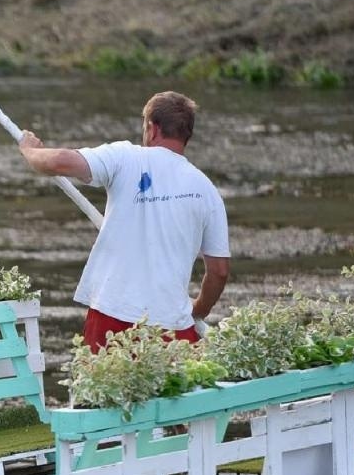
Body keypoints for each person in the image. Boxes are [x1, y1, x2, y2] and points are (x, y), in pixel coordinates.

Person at [17, 90, 229, 351]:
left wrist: (28, 150)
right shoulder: (206, 189)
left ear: (152, 129)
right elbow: (219, 271)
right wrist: (198, 311)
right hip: (174, 327)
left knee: (102, 390)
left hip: (113, 317)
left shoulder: (125, 157)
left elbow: (59, 162)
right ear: (187, 135)